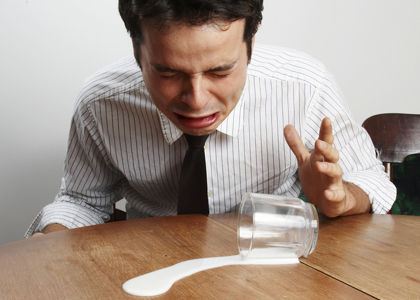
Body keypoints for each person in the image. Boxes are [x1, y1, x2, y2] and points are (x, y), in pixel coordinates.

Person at [26, 0, 396, 237]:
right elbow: (80, 201)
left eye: (220, 71)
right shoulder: (101, 103)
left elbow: (371, 181)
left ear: (251, 43)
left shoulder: (305, 86)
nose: (197, 100)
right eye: (169, 73)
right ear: (137, 50)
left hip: (273, 267)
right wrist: (58, 249)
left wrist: (340, 198)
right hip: (147, 268)